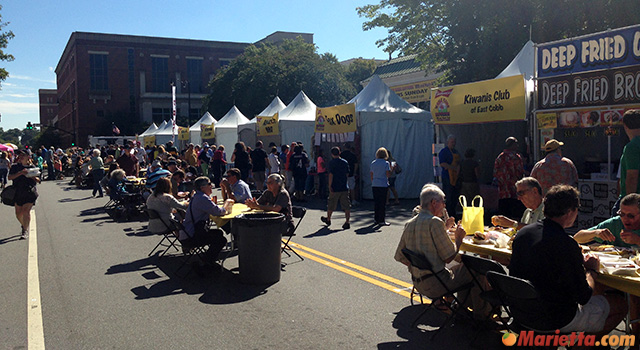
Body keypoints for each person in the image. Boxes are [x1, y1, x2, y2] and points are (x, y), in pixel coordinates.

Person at [509, 185, 627, 335]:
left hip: (521, 312)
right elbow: (584, 296)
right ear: (570, 212)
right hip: (554, 318)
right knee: (621, 305)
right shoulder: (565, 244)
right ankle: (584, 345)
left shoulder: (523, 233)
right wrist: (591, 270)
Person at [394, 184, 491, 319]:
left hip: (418, 283)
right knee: (476, 268)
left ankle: (462, 309)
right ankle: (481, 314)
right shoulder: (434, 222)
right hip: (437, 283)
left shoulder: (409, 223)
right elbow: (448, 257)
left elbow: (400, 256)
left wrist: (419, 267)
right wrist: (458, 239)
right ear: (434, 203)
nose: (444, 206)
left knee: (463, 268)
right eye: (443, 202)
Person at [180, 176, 233, 266]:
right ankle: (207, 261)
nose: (211, 186)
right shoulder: (202, 198)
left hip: (188, 232)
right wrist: (227, 202)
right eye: (209, 184)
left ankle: (209, 258)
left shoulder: (197, 196)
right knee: (221, 240)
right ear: (202, 188)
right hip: (191, 235)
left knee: (218, 233)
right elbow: (220, 212)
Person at [574, 192, 640, 247]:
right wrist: (595, 233)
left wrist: (637, 240)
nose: (625, 218)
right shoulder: (615, 223)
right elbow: (577, 238)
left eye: (630, 216)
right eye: (621, 214)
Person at [613, 109, 640, 215]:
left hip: (634, 202)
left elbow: (632, 177)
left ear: (625, 126)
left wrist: (629, 208)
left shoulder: (632, 147)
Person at [8, 151, 40, 239]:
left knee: (26, 211)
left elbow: (38, 180)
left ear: (28, 157)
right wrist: (21, 173)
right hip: (18, 192)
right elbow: (9, 177)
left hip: (29, 192)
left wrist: (32, 176)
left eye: (23, 155)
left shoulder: (32, 167)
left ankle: (25, 230)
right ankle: (24, 225)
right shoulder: (15, 167)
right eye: (20, 155)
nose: (21, 157)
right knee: (18, 213)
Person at [493, 137, 526, 219]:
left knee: (504, 214)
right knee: (515, 216)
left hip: (503, 191)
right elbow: (520, 172)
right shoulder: (516, 157)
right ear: (512, 145)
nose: (517, 146)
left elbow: (495, 173)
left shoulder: (500, 157)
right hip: (514, 191)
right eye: (516, 144)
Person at [320, 147, 351, 229]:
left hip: (335, 186)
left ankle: (329, 218)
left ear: (332, 154)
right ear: (339, 152)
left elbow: (331, 175)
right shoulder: (345, 162)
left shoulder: (332, 163)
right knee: (346, 204)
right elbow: (347, 174)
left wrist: (330, 185)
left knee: (331, 203)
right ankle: (347, 221)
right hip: (344, 186)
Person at [439, 135, 460, 218]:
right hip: (447, 177)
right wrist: (453, 168)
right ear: (447, 142)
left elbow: (458, 162)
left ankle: (453, 214)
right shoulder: (444, 152)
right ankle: (447, 215)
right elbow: (442, 163)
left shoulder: (456, 151)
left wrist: (458, 169)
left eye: (454, 142)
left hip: (456, 177)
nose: (453, 144)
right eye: (452, 142)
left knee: (455, 196)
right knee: (448, 197)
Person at [370, 147, 391, 226]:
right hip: (383, 184)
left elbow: (371, 174)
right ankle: (382, 220)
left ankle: (376, 219)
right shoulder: (386, 163)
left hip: (375, 184)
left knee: (376, 202)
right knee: (382, 203)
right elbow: (387, 174)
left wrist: (374, 181)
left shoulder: (373, 163)